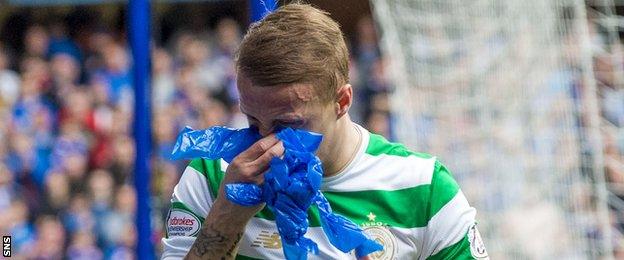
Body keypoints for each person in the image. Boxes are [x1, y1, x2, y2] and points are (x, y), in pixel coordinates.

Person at [161, 4, 487, 260]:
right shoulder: (214, 176)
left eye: (288, 126)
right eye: (252, 121)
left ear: (342, 101)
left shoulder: (423, 187)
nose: (267, 143)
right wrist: (226, 218)